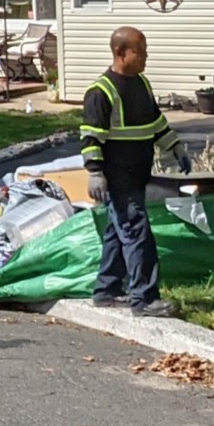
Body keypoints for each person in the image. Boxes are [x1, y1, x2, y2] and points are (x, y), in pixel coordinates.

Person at [80, 26, 190, 317]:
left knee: (119, 233)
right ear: (120, 53)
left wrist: (175, 146)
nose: (145, 57)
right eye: (139, 52)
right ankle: (144, 299)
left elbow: (155, 124)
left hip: (137, 174)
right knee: (137, 234)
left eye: (145, 51)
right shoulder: (101, 92)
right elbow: (91, 139)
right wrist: (95, 172)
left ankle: (108, 290)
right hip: (117, 178)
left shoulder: (142, 84)